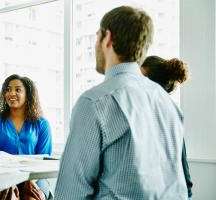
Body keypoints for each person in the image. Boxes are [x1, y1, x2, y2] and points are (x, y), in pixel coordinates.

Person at [55, 6, 187, 199]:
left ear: (107, 38)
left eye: (96, 37)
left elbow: (71, 194)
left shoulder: (94, 103)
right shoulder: (167, 103)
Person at [0, 74, 52, 200]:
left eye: (18, 90)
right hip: (2, 177)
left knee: (32, 198)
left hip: (36, 177)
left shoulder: (42, 124)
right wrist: (8, 181)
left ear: (28, 95)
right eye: (8, 89)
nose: (11, 93)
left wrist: (30, 179)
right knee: (8, 198)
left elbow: (44, 160)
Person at [141, 55, 193, 199]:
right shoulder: (172, 108)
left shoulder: (154, 111)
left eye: (141, 78)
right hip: (181, 190)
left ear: (153, 83)